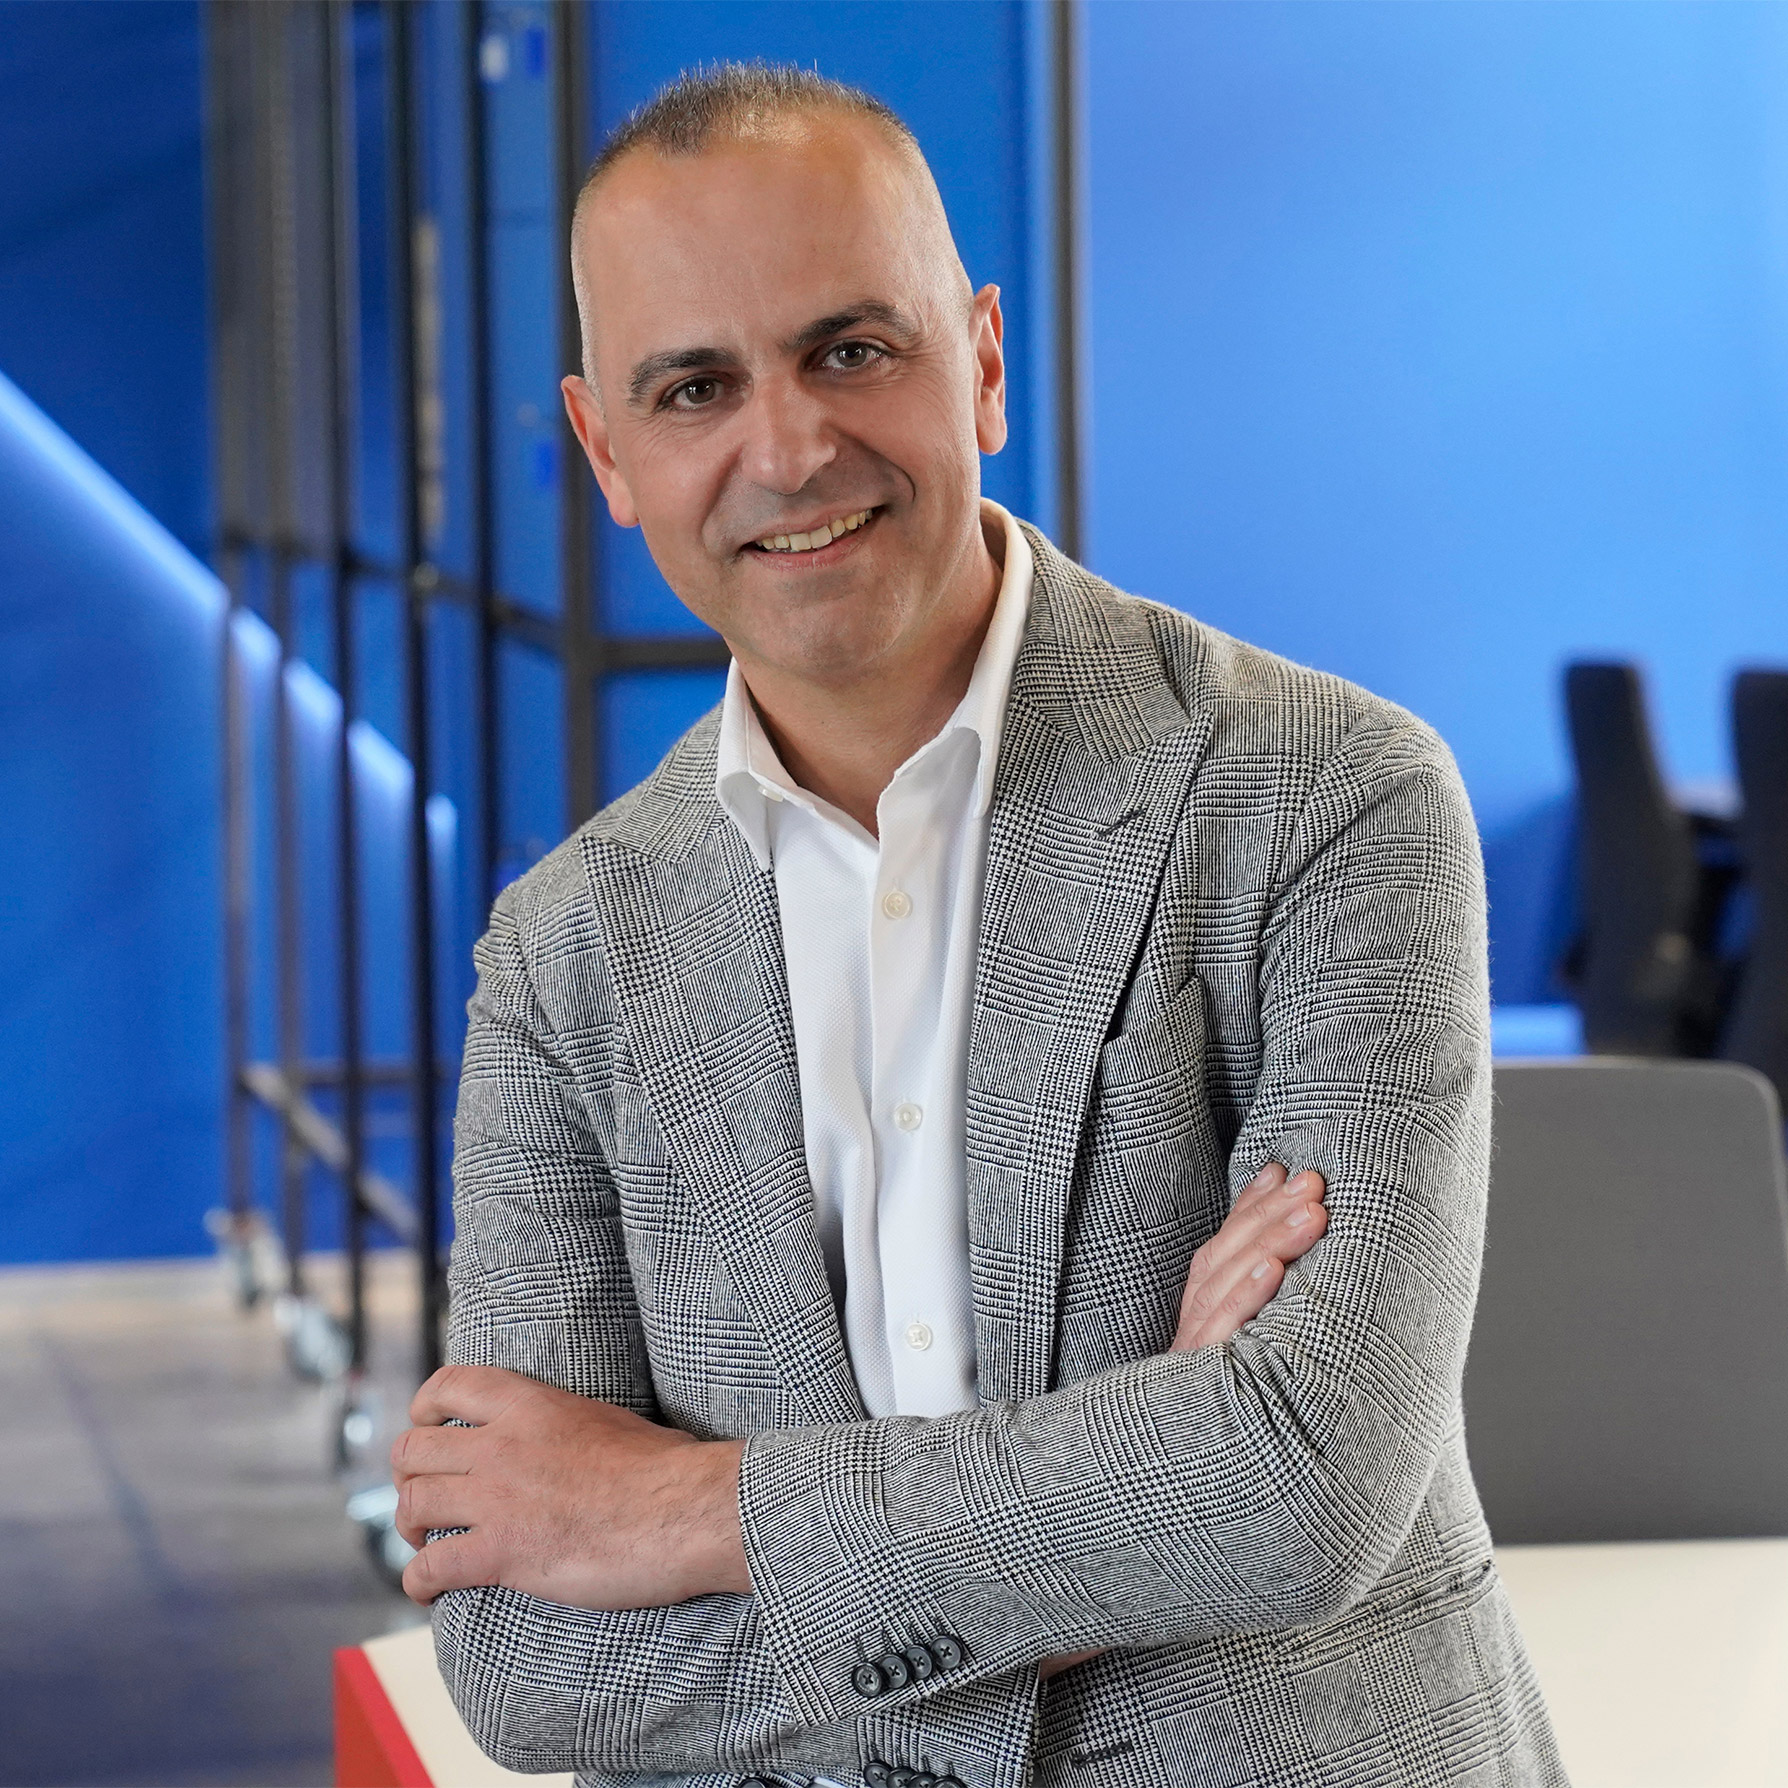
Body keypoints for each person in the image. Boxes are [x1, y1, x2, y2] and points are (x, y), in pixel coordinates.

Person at [390, 64, 1565, 1788]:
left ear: (984, 361)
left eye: (851, 350)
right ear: (607, 453)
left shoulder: (1331, 795)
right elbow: (530, 1662)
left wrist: (685, 1510)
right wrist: (1124, 1518)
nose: (789, 449)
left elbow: (1300, 1480)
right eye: (696, 387)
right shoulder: (565, 956)